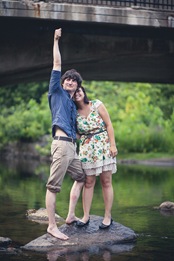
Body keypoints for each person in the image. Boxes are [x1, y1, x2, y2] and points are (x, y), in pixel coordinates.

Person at [45, 28, 85, 240]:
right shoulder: (56, 91)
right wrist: (55, 40)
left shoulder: (71, 104)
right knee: (53, 186)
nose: (69, 81)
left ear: (78, 86)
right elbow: (57, 65)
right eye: (67, 79)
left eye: (73, 80)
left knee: (82, 177)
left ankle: (70, 215)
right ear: (62, 82)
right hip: (61, 144)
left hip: (72, 147)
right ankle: (52, 226)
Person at [73, 86, 118, 229]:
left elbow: (109, 124)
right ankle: (86, 216)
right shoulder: (73, 113)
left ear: (83, 91)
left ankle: (107, 216)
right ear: (72, 96)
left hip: (103, 145)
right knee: (89, 182)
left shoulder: (97, 104)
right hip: (86, 149)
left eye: (79, 90)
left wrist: (113, 145)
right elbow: (77, 134)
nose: (77, 93)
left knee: (106, 181)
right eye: (74, 92)